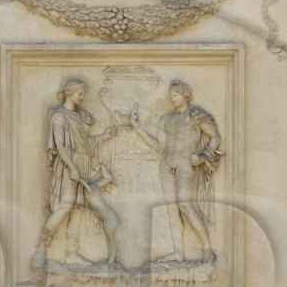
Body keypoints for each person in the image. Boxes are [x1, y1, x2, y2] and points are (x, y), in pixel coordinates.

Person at [127, 79, 221, 263]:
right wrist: (137, 128)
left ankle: (207, 248)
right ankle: (178, 253)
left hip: (185, 164)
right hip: (166, 164)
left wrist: (203, 156)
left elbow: (215, 137)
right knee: (171, 209)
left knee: (185, 206)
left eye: (176, 94)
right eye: (171, 95)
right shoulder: (166, 118)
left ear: (185, 95)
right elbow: (158, 145)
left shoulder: (194, 114)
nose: (173, 98)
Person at [31, 78, 122, 268]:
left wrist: (104, 136)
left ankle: (71, 253)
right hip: (69, 165)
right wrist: (72, 168)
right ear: (70, 93)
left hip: (82, 164)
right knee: (65, 206)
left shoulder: (79, 117)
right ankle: (40, 249)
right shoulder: (59, 117)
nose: (82, 97)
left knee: (78, 209)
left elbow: (84, 143)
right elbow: (60, 146)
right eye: (80, 93)